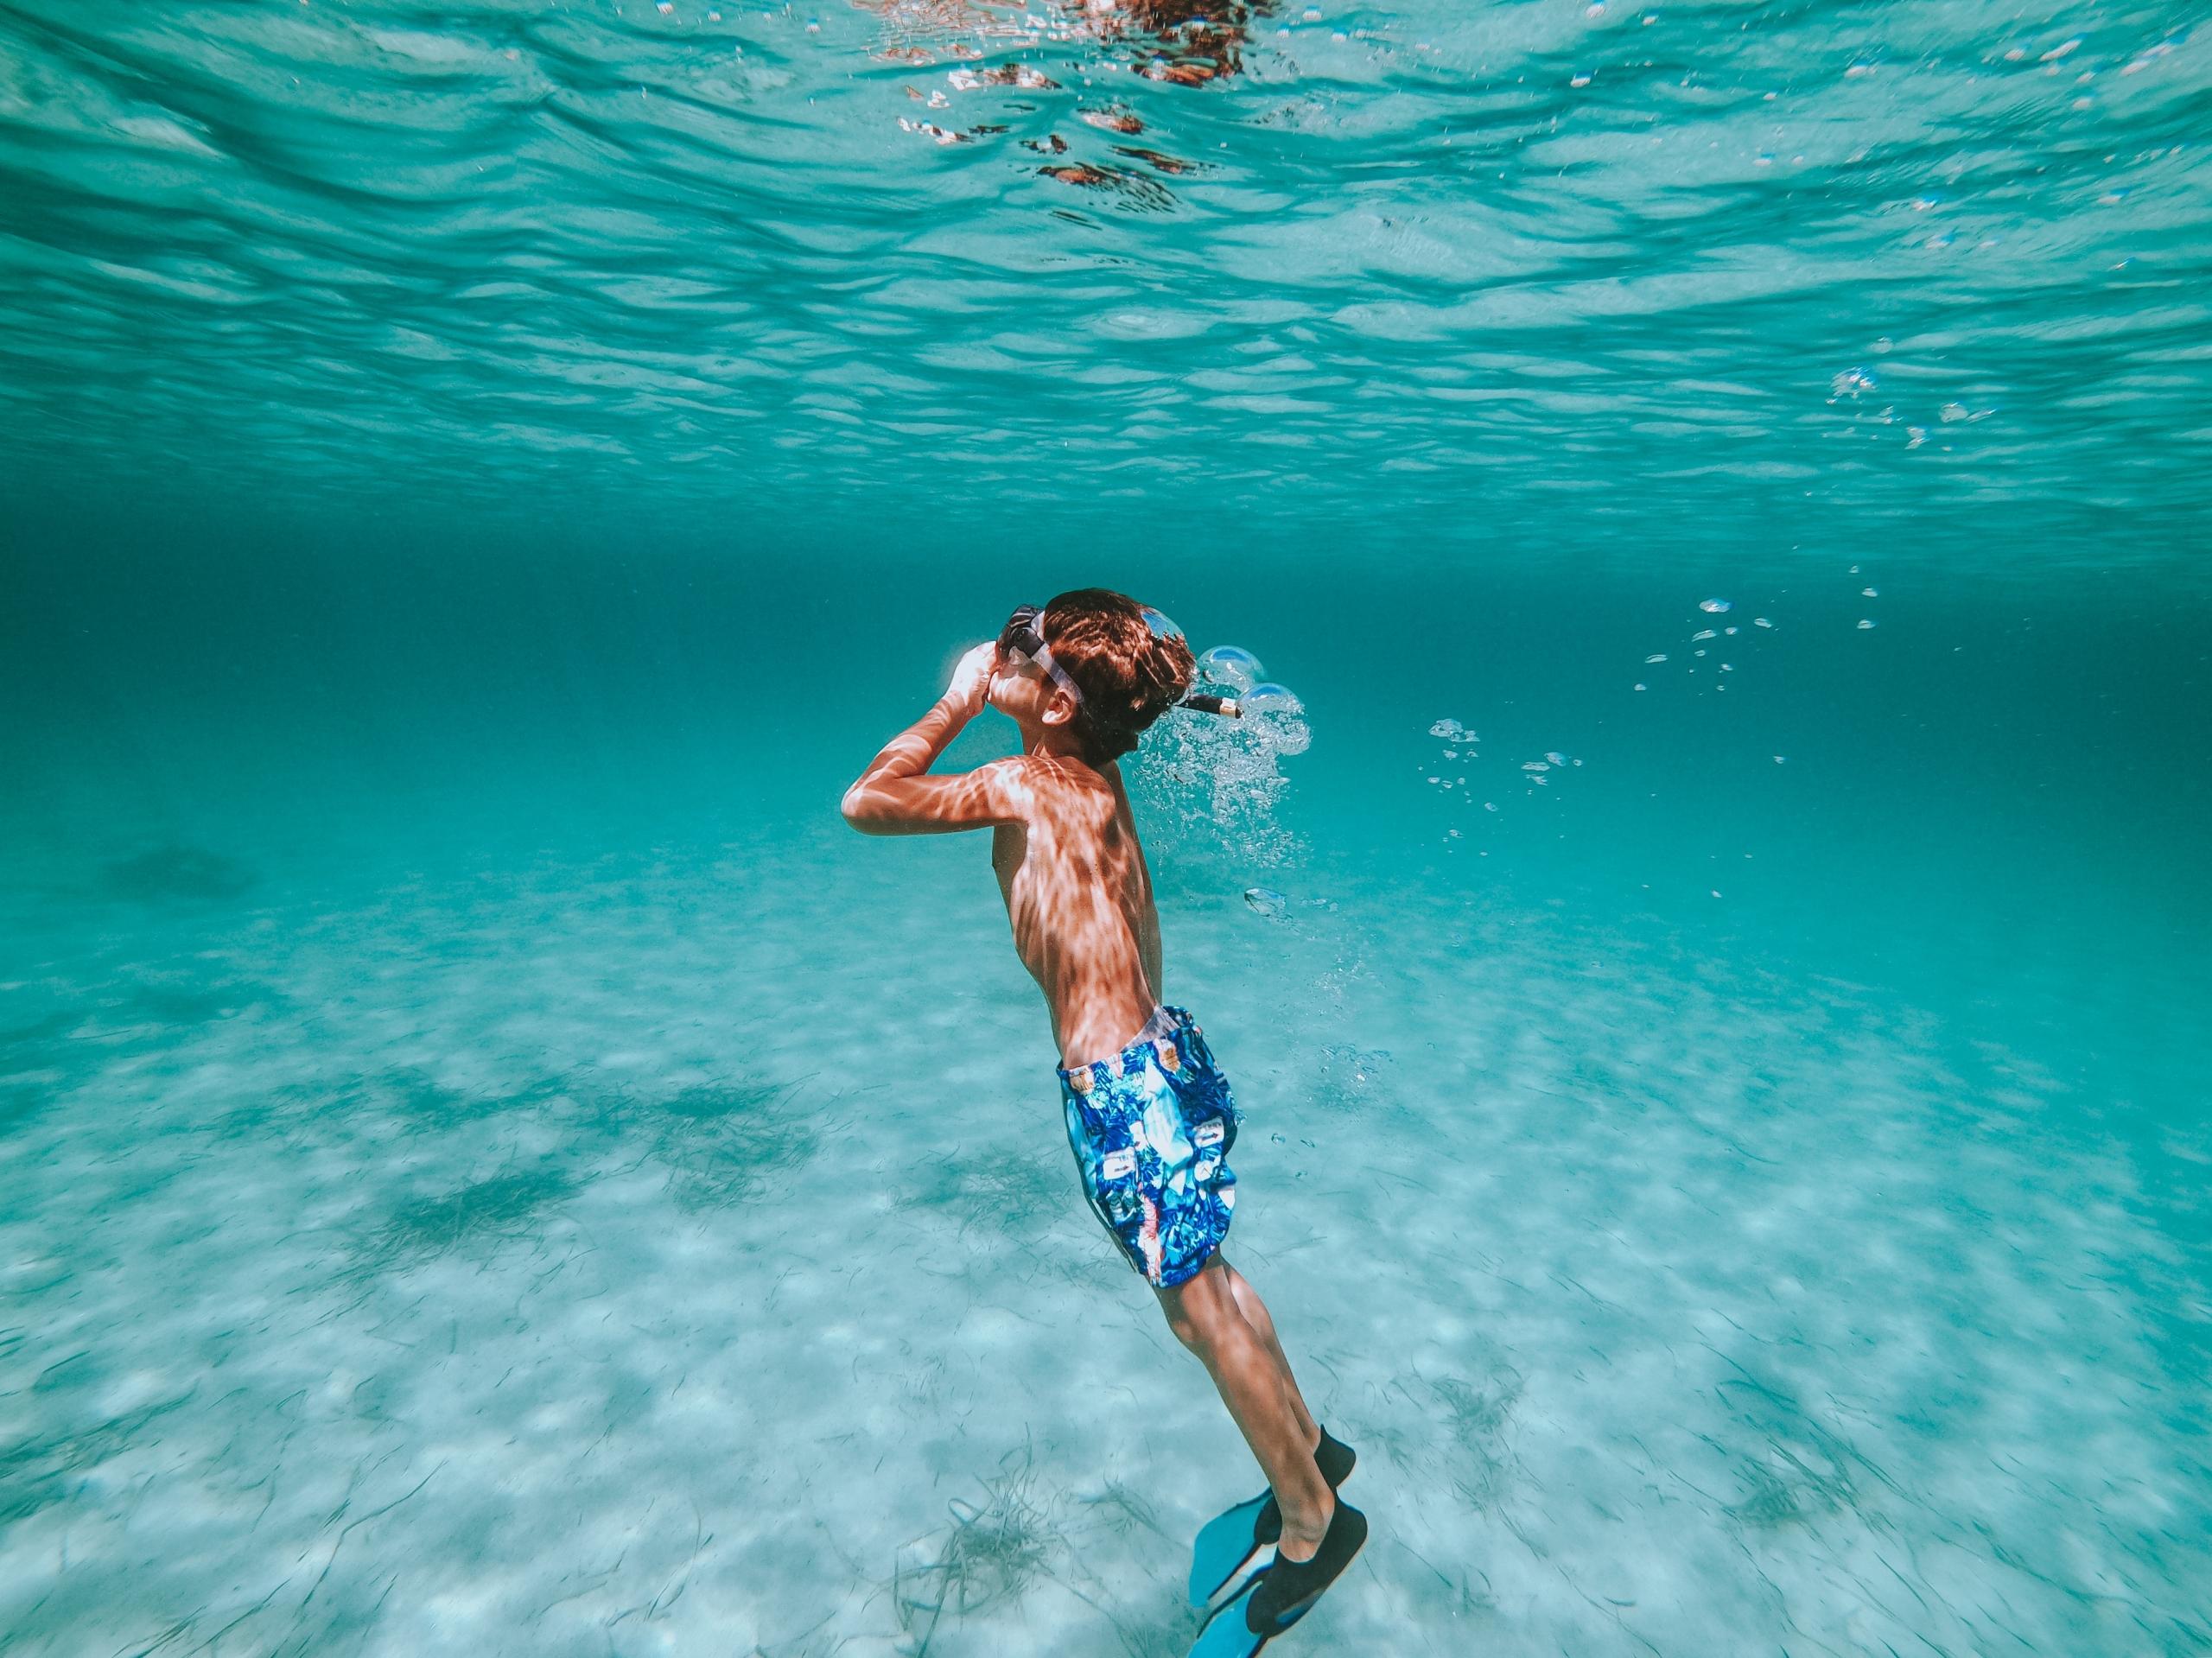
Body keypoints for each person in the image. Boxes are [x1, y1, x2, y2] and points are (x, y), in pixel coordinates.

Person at [840, 589, 1363, 1636]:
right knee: (1207, 1287)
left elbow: (868, 798)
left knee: (1193, 1308)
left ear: (1060, 700)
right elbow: (1139, 910)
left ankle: (1313, 1520)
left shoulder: (1024, 783)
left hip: (1120, 1088)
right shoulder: (1095, 773)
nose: (1000, 658)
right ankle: (1308, 1442)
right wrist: (1150, 1042)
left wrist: (953, 701)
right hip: (1163, 1054)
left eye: (1018, 652)